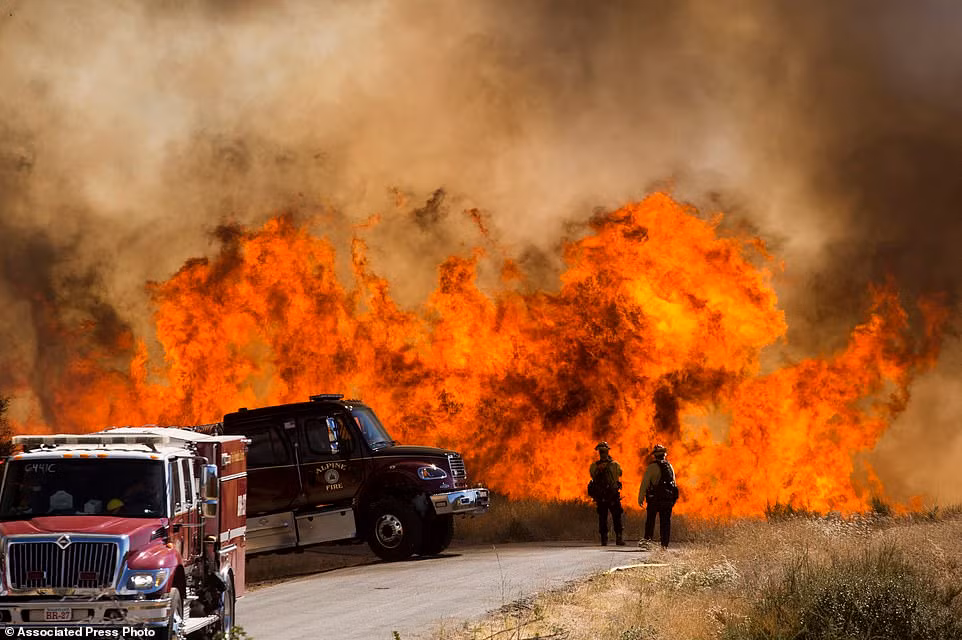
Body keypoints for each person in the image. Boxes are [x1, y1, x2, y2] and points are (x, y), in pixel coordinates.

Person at [638, 443, 678, 549]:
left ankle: (648, 541)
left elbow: (645, 483)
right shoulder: (670, 466)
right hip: (667, 499)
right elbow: (674, 483)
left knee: (650, 520)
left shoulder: (651, 467)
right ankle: (664, 544)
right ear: (665, 455)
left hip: (654, 499)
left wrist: (640, 497)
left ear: (655, 455)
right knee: (665, 522)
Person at [588, 441, 625, 546]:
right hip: (613, 495)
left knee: (602, 517)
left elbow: (592, 476)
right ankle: (619, 538)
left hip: (601, 497)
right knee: (616, 516)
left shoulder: (594, 466)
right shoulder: (615, 464)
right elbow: (620, 473)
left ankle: (604, 539)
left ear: (599, 452)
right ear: (608, 452)